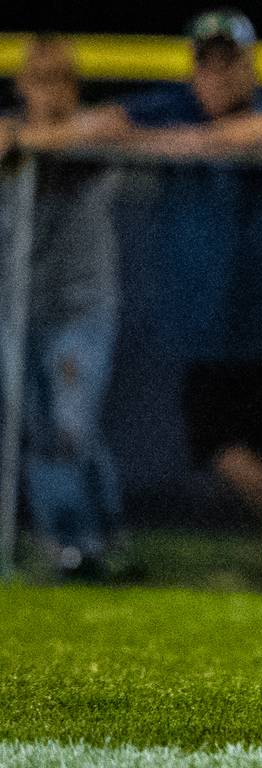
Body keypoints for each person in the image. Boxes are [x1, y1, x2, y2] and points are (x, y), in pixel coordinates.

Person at [122, 10, 262, 583]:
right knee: (217, 443)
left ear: (250, 67)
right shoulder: (171, 108)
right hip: (208, 319)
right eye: (207, 63)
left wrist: (185, 144)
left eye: (229, 62)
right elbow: (109, 124)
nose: (217, 75)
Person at [1, 36, 128, 578]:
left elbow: (111, 128)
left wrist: (25, 139)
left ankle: (90, 540)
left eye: (62, 80)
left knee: (71, 426)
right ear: (22, 85)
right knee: (35, 426)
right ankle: (75, 543)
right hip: (17, 306)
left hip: (81, 307)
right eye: (41, 80)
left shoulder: (93, 131)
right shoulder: (10, 133)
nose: (51, 91)